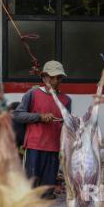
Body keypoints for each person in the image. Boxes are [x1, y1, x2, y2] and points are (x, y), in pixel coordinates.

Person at [13, 60, 71, 199]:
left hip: (54, 147)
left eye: (59, 77)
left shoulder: (66, 100)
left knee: (47, 192)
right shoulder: (32, 94)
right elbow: (17, 115)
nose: (57, 80)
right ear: (45, 77)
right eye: (54, 77)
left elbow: (67, 124)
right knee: (30, 189)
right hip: (34, 146)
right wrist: (39, 117)